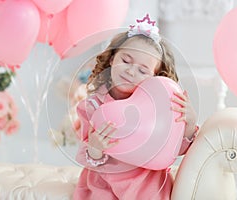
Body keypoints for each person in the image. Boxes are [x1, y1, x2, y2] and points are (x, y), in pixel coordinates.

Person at [73, 14, 198, 200]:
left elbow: (174, 150)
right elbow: (87, 156)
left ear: (156, 76)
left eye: (142, 70)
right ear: (112, 59)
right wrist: (95, 148)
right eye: (126, 60)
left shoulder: (160, 108)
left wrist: (188, 123)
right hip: (104, 186)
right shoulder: (92, 106)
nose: (131, 71)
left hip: (148, 187)